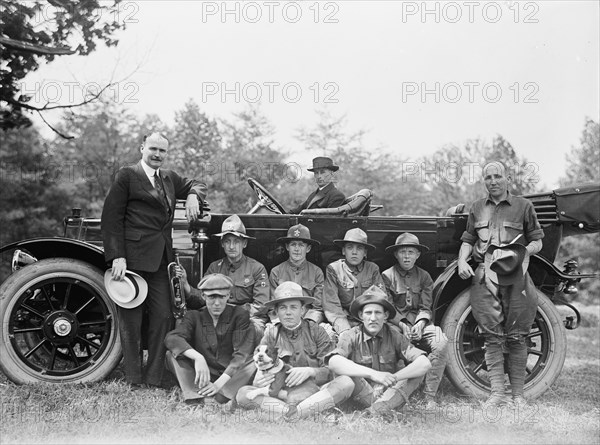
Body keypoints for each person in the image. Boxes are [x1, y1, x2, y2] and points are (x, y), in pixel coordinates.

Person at [101, 132, 206, 388]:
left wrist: (192, 195)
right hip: (133, 260)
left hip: (162, 260)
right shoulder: (127, 175)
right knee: (131, 321)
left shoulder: (169, 178)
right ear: (142, 148)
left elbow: (198, 183)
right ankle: (133, 378)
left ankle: (154, 377)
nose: (158, 154)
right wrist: (118, 257)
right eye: (153, 149)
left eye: (162, 150)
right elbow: (111, 218)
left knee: (162, 316)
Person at [457, 161, 544, 407]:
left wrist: (523, 253)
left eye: (497, 176)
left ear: (507, 178)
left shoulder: (524, 206)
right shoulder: (476, 208)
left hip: (516, 274)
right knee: (491, 335)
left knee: (517, 335)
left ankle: (517, 396)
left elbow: (538, 240)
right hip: (485, 275)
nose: (493, 181)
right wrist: (462, 260)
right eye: (488, 177)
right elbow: (468, 239)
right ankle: (497, 394)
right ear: (483, 181)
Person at [236, 282, 355, 420]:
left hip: (315, 392)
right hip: (282, 394)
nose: (288, 312)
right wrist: (260, 378)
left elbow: (330, 370)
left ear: (302, 310)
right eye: (282, 308)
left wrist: (310, 371)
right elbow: (260, 369)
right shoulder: (271, 334)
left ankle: (291, 414)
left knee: (346, 383)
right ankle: (304, 412)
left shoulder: (317, 331)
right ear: (276, 312)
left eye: (293, 307)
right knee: (243, 394)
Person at [326, 285, 432, 414]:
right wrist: (374, 374)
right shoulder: (351, 335)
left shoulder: (395, 336)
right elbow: (333, 362)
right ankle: (380, 410)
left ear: (386, 315)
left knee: (417, 373)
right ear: (361, 315)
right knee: (345, 371)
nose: (373, 318)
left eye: (378, 313)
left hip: (388, 392)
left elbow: (424, 363)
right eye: (368, 313)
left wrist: (392, 378)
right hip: (362, 392)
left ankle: (371, 412)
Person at [164, 274, 256, 405]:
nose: (217, 303)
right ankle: (196, 395)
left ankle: (222, 395)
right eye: (212, 297)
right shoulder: (194, 316)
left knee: (252, 361)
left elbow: (241, 354)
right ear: (203, 296)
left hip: (230, 373)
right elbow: (172, 338)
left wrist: (218, 384)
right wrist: (198, 358)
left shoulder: (239, 315)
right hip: (203, 373)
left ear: (229, 296)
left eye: (222, 297)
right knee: (172, 355)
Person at [382, 233, 448, 408]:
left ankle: (429, 395)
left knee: (440, 342)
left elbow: (426, 306)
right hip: (396, 324)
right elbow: (387, 308)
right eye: (402, 252)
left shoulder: (425, 276)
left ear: (418, 255)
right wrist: (402, 323)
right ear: (396, 254)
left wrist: (420, 322)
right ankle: (396, 394)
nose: (406, 256)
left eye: (411, 252)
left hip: (420, 324)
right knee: (391, 339)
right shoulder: (387, 276)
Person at [206, 214, 270, 336]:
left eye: (236, 242)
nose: (231, 246)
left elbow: (261, 305)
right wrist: (186, 285)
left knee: (253, 331)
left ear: (244, 243)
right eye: (227, 241)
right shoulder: (214, 268)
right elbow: (203, 297)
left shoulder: (257, 268)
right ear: (222, 244)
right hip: (218, 315)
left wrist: (234, 315)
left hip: (249, 317)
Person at [322, 228, 386, 334]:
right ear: (343, 251)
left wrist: (370, 326)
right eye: (350, 247)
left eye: (359, 248)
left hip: (367, 320)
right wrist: (344, 330)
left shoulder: (372, 269)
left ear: (365, 253)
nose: (354, 252)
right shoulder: (334, 269)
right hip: (344, 321)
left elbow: (380, 299)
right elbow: (331, 305)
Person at [269, 224, 324, 323]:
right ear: (287, 247)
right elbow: (273, 306)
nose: (297, 249)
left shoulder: (317, 272)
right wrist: (279, 323)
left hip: (308, 321)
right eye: (293, 244)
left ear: (308, 249)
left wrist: (309, 324)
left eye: (301, 245)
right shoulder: (276, 272)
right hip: (283, 321)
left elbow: (318, 307)